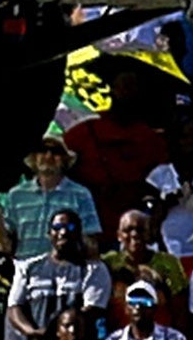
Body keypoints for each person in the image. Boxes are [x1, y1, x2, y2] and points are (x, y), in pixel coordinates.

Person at [62, 64, 169, 232]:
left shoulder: (151, 138)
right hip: (91, 225)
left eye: (133, 87)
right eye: (124, 86)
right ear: (112, 88)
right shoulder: (85, 131)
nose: (128, 92)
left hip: (134, 231)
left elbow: (161, 183)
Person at [6, 208, 110, 340]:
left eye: (69, 228)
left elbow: (91, 311)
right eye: (57, 228)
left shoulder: (93, 269)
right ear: (49, 234)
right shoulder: (28, 267)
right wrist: (31, 331)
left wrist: (56, 337)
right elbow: (14, 307)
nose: (62, 232)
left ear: (78, 233)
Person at [0, 129, 99, 261]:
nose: (48, 156)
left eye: (56, 152)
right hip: (26, 272)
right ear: (34, 157)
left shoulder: (81, 195)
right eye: (42, 150)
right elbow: (7, 246)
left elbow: (92, 245)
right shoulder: (16, 195)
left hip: (65, 272)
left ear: (64, 159)